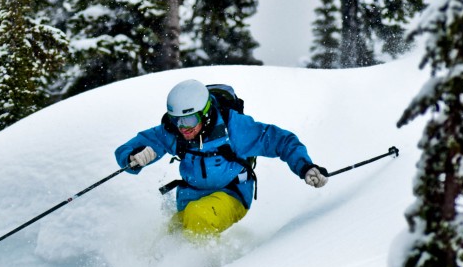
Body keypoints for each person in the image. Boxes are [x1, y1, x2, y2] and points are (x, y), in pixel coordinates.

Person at [115, 79, 328, 238]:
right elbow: (127, 149)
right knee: (168, 236)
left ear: (205, 113)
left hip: (231, 194)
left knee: (198, 218)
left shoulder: (234, 128)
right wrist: (133, 157)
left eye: (189, 119)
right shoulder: (173, 131)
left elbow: (282, 141)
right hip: (191, 198)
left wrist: (305, 166)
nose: (183, 128)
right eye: (177, 120)